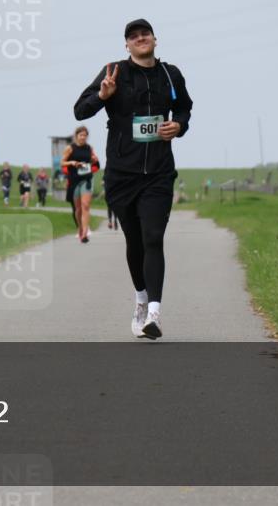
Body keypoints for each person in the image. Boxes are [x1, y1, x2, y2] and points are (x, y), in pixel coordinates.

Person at [74, 18, 193, 340]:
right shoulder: (114, 71)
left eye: (145, 34)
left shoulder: (171, 74)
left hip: (158, 172)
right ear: (126, 44)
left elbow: (184, 108)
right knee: (135, 240)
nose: (140, 39)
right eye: (133, 36)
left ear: (155, 39)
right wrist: (103, 96)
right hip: (122, 174)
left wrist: (179, 126)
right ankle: (140, 300)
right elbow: (80, 112)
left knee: (153, 237)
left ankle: (154, 313)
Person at [60, 126, 99, 243]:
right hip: (74, 180)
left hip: (86, 179)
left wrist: (94, 159)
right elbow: (62, 162)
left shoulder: (89, 148)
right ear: (76, 136)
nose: (83, 137)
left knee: (85, 205)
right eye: (81, 135)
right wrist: (72, 162)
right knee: (78, 209)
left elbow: (93, 160)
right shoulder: (70, 148)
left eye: (85, 135)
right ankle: (80, 228)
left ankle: (85, 233)